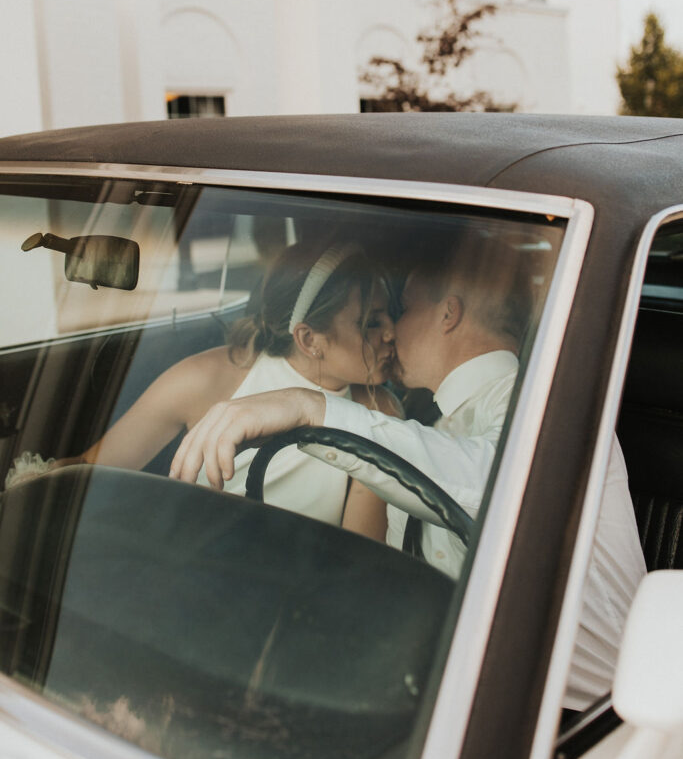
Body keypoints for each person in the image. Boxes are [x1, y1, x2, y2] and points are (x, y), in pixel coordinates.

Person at [170, 227, 646, 713]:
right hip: (439, 699)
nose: (391, 331)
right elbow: (383, 582)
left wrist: (309, 407)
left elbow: (495, 483)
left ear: (447, 313)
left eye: (401, 309)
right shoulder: (431, 427)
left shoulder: (555, 409)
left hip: (585, 723)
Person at [10, 240, 398, 533]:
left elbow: (360, 551)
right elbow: (91, 469)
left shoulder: (381, 414)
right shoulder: (206, 379)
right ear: (309, 339)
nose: (391, 334)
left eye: (389, 316)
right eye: (371, 324)